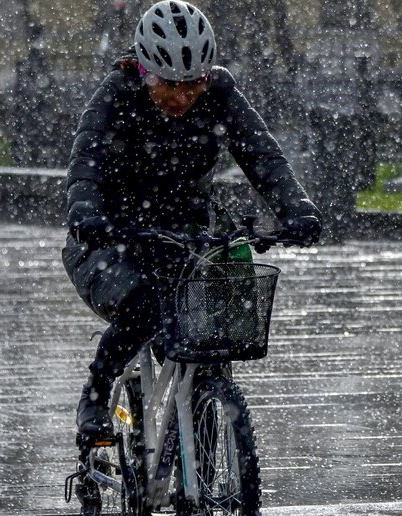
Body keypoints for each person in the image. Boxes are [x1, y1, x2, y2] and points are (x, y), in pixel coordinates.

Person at [63, 0, 322, 441]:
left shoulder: (219, 93)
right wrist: (87, 215)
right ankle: (95, 394)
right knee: (142, 304)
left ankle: (199, 449)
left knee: (216, 319)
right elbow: (85, 166)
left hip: (187, 232)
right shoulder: (115, 95)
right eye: (170, 84)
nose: (182, 96)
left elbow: (262, 156)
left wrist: (296, 208)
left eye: (194, 83)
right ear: (145, 72)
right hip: (111, 236)